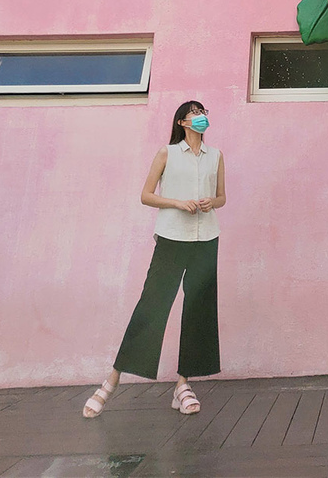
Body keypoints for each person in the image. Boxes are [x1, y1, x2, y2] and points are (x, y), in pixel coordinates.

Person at [82, 100, 225, 418]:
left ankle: (183, 385)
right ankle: (111, 381)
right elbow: (146, 195)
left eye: (205, 112)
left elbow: (222, 198)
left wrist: (209, 202)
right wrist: (178, 203)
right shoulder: (167, 153)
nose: (202, 117)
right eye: (196, 114)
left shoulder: (216, 156)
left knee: (198, 311)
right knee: (152, 307)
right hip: (172, 238)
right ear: (182, 122)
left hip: (206, 239)